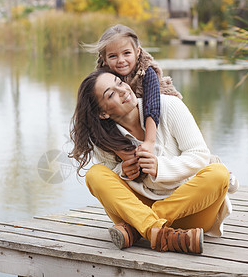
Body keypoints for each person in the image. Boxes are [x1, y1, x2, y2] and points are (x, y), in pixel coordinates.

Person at [69, 68, 237, 254]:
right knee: (95, 174)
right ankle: (164, 235)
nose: (124, 90)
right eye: (111, 94)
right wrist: (123, 171)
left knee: (218, 173)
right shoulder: (105, 139)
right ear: (103, 113)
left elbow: (199, 154)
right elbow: (111, 186)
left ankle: (139, 229)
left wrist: (160, 168)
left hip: (190, 212)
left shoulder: (169, 106)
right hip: (141, 209)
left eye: (120, 82)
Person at [83, 24, 182, 156]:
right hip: (129, 124)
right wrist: (121, 153)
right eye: (113, 56)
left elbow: (152, 107)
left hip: (158, 118)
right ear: (104, 59)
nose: (121, 60)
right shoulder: (103, 80)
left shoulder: (147, 72)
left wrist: (149, 142)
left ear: (138, 52)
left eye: (127, 53)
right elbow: (95, 117)